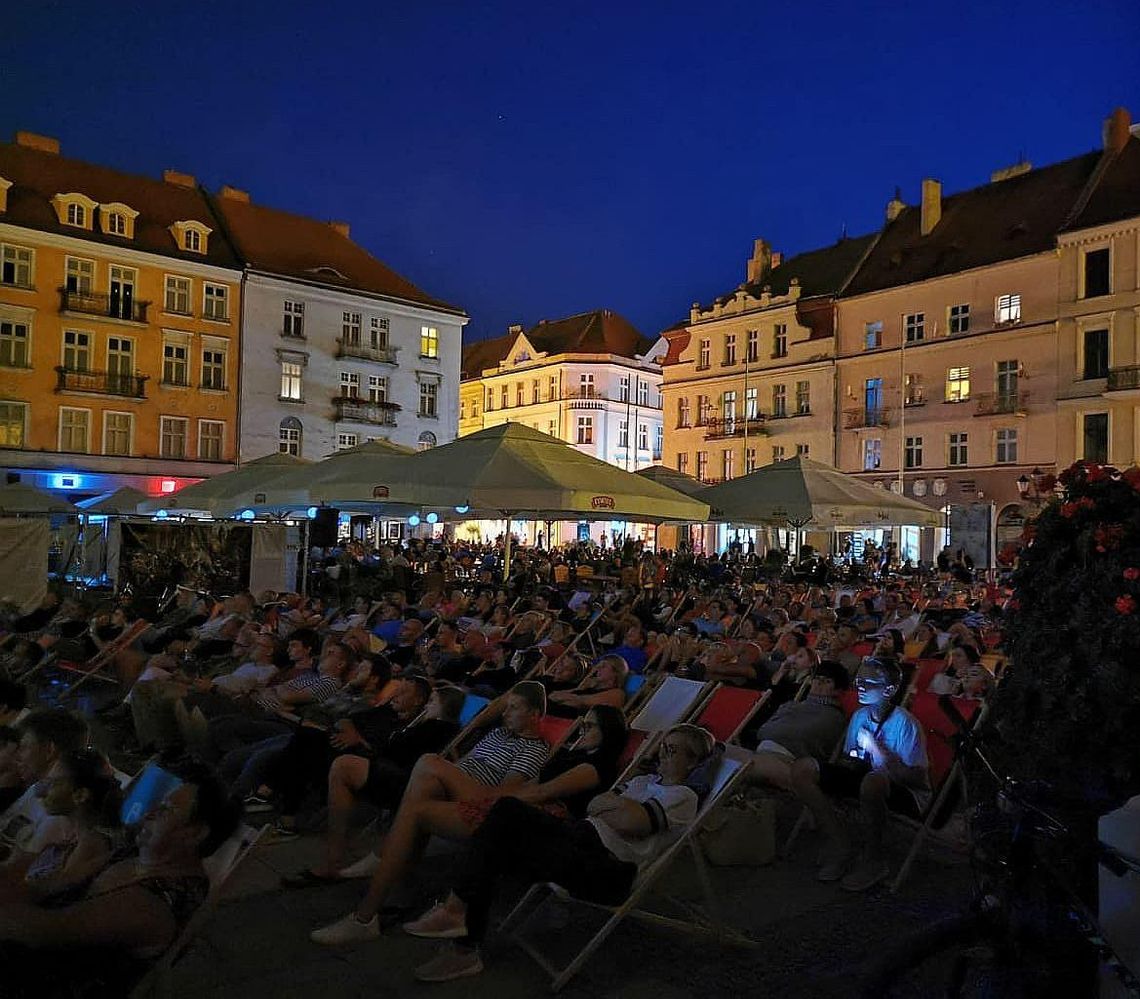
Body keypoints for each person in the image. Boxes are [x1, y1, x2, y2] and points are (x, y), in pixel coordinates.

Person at [403, 724, 714, 982]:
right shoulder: (644, 781)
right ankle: (463, 939)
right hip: (580, 837)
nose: (662, 753)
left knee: (501, 834)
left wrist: (618, 807)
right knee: (505, 813)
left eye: (672, 750)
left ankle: (462, 934)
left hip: (606, 868)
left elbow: (633, 822)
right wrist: (617, 808)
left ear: (693, 762)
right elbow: (596, 804)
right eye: (663, 746)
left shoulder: (683, 796)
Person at [310, 705, 628, 945]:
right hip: (517, 804)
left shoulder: (594, 767)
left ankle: (372, 902)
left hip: (530, 818)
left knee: (427, 770)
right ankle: (377, 896)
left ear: (608, 733)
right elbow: (534, 786)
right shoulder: (574, 756)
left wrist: (492, 795)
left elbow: (542, 792)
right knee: (424, 784)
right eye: (582, 723)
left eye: (591, 725)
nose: (582, 729)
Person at [0, 761, 239, 998]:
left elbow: (44, 931)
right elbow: (51, 886)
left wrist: (16, 877)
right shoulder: (131, 856)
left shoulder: (154, 901)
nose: (148, 813)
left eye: (165, 809)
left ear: (195, 833)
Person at [320, 681, 550, 881]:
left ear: (534, 714)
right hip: (433, 782)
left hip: (465, 795)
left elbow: (501, 794)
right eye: (507, 707)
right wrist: (517, 694)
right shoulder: (498, 733)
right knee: (345, 765)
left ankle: (387, 855)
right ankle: (334, 860)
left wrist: (450, 776)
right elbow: (485, 719)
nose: (505, 713)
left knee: (430, 762)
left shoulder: (533, 749)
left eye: (514, 708)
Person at [790, 658, 929, 892]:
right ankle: (841, 844)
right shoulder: (860, 717)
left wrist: (877, 749)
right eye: (859, 681)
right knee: (803, 769)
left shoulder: (905, 724)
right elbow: (850, 762)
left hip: (903, 791)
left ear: (890, 690)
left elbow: (915, 778)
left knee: (872, 781)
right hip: (865, 777)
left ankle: (874, 859)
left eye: (869, 682)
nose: (860, 687)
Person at [0, 748, 121, 904]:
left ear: (80, 795)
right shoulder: (76, 840)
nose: (41, 793)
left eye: (52, 784)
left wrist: (17, 864)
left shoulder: (91, 845)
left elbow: (43, 898)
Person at [0, 710, 88, 869]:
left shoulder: (59, 811)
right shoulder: (36, 789)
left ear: (49, 750)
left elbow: (18, 871)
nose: (18, 756)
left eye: (24, 747)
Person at [747, 660, 851, 790]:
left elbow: (798, 737)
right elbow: (763, 730)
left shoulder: (834, 717)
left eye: (827, 681)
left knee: (739, 766)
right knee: (720, 751)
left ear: (838, 691)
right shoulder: (794, 705)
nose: (818, 683)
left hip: (789, 764)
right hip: (761, 755)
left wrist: (775, 731)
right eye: (817, 678)